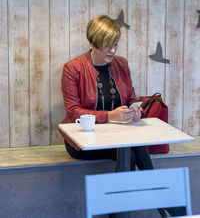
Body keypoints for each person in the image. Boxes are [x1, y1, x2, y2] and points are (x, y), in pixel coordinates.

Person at [59, 15, 186, 217]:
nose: (112, 50)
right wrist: (110, 116)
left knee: (131, 149)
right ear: (92, 42)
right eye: (106, 45)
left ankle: (117, 213)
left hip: (119, 136)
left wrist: (136, 111)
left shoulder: (121, 64)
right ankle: (163, 199)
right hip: (84, 140)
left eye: (115, 44)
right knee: (133, 149)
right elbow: (73, 111)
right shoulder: (73, 69)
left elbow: (131, 98)